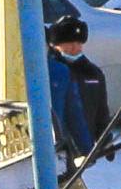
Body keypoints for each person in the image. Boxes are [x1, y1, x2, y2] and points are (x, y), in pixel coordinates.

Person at [45, 15, 106, 165]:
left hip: (78, 148)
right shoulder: (53, 71)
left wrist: (103, 138)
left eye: (79, 43)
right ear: (54, 45)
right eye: (69, 43)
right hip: (58, 145)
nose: (75, 48)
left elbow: (100, 109)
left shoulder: (92, 73)